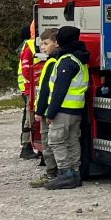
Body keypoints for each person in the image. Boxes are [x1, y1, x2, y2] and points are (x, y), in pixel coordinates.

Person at [39, 25, 90, 190]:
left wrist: (51, 113)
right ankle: (75, 174)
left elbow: (59, 90)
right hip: (76, 109)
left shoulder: (66, 61)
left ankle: (65, 174)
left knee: (56, 141)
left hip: (63, 109)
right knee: (72, 141)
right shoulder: (80, 59)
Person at [28, 30, 61, 188]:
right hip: (52, 109)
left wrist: (39, 111)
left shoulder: (53, 62)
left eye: (46, 43)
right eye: (41, 43)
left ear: (56, 43)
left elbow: (46, 90)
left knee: (48, 143)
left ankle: (51, 173)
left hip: (48, 109)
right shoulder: (56, 61)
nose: (42, 47)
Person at [15, 23, 41, 157]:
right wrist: (36, 85)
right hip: (31, 89)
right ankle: (26, 147)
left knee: (33, 117)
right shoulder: (30, 46)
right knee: (30, 118)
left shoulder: (35, 45)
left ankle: (33, 145)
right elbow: (26, 70)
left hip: (34, 88)